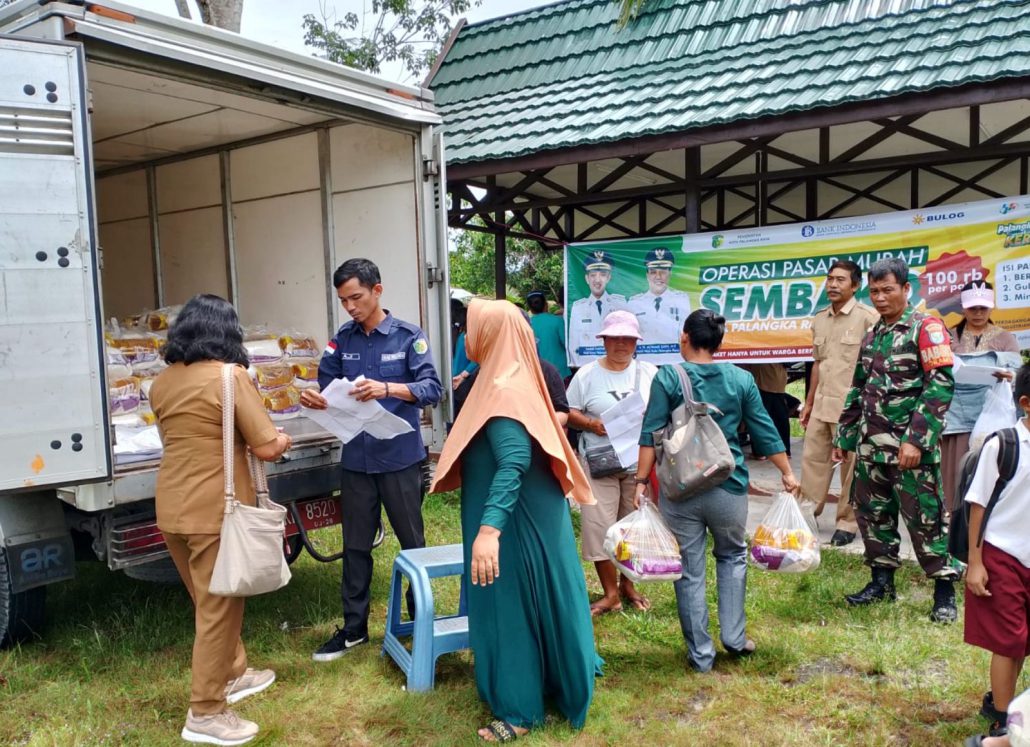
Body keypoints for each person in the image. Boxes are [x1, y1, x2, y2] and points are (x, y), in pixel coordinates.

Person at [431, 299, 601, 742]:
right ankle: (558, 678)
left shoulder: (504, 388)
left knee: (510, 609)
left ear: (490, 333)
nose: (464, 338)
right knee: (541, 598)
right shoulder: (507, 376)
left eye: (469, 329)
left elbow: (513, 461)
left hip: (512, 521)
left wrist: (489, 531)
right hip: (529, 515)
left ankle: (520, 712)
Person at [150, 294, 292, 745]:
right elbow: (267, 446)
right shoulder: (231, 378)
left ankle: (235, 672)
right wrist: (283, 436)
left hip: (172, 507)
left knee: (207, 603)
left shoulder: (162, 382)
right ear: (226, 332)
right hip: (216, 512)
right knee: (218, 611)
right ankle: (206, 712)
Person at [633, 309, 800, 672]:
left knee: (689, 570)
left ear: (684, 337)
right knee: (732, 556)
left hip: (680, 490)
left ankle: (701, 656)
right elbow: (764, 429)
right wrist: (786, 471)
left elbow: (650, 432)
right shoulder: (741, 379)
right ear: (719, 342)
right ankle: (735, 639)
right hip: (729, 484)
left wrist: (641, 481)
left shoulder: (668, 378)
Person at [300, 258, 443, 661]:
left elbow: (432, 388)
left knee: (412, 544)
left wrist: (387, 388)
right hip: (357, 460)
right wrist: (315, 397)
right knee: (355, 547)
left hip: (399, 458)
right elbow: (326, 387)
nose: (350, 307)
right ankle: (353, 629)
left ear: (377, 290)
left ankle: (423, 622)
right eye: (344, 300)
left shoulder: (408, 337)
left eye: (356, 298)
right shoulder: (342, 340)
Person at [832, 258, 961, 623]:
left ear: (907, 289)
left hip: (910, 451)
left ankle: (944, 591)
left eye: (888, 289)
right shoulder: (875, 333)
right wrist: (845, 433)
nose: (880, 297)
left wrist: (917, 440)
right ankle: (881, 583)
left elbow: (941, 384)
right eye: (874, 291)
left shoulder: (927, 327)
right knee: (873, 516)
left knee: (927, 519)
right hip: (872, 447)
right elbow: (858, 386)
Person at [566, 310, 658, 616]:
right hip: (599, 463)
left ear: (636, 343)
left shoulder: (649, 374)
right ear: (603, 341)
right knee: (600, 528)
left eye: (628, 339)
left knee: (632, 528)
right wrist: (592, 424)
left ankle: (628, 585)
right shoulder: (587, 375)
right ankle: (610, 594)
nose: (621, 344)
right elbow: (569, 412)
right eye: (615, 338)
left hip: (638, 466)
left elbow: (662, 413)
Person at [963, 364, 1030, 742]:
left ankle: (1003, 702)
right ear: (1025, 403)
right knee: (1007, 641)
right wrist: (976, 563)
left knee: (1021, 640)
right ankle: (1005, 721)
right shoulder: (1004, 444)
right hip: (1002, 553)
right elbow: (978, 503)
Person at [799, 260, 878, 546]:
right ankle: (806, 515)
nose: (832, 285)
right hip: (821, 404)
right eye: (830, 279)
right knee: (812, 462)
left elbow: (874, 368)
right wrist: (808, 403)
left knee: (851, 469)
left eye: (840, 280)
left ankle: (847, 522)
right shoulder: (820, 318)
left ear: (855, 285)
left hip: (852, 409)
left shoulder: (868, 318)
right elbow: (818, 364)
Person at [941, 281, 1022, 512]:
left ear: (991, 307)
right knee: (955, 469)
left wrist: (1009, 375)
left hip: (993, 416)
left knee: (991, 467)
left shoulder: (1006, 338)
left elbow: (1017, 372)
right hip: (958, 413)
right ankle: (955, 518)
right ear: (963, 308)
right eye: (972, 308)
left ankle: (989, 517)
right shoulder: (949, 336)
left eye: (983, 308)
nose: (978, 313)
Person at [627, 246, 692, 357]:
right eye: (653, 272)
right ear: (647, 275)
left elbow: (687, 335)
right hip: (643, 363)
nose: (658, 277)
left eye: (663, 271)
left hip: (673, 362)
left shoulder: (681, 300)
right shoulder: (634, 303)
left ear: (670, 273)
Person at [568, 251, 626, 367]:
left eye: (603, 274)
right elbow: (574, 345)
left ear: (609, 277)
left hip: (615, 366)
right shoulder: (578, 308)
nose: (597, 280)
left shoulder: (620, 304)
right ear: (587, 278)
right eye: (593, 275)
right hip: (587, 368)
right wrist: (578, 369)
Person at [740, 363, 792, 458]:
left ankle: (760, 452)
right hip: (777, 380)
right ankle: (785, 451)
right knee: (780, 418)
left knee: (758, 417)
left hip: (763, 379)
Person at [527, 290, 571, 381]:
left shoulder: (526, 324)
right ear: (546, 305)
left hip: (537, 374)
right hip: (560, 372)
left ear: (530, 309)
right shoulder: (557, 321)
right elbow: (566, 344)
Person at [451, 301, 478, 392]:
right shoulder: (460, 334)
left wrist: (463, 375)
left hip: (462, 381)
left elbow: (477, 359)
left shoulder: (467, 334)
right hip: (457, 380)